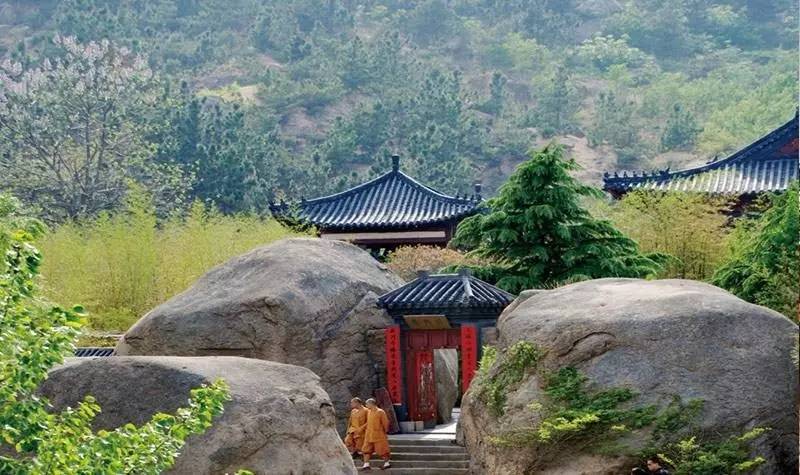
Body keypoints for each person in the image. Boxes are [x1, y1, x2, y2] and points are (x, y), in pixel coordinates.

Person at [359, 398, 391, 471]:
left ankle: (387, 464)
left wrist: (385, 432)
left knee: (382, 450)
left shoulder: (380, 412)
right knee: (366, 449)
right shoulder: (369, 412)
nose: (366, 405)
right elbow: (369, 422)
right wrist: (362, 428)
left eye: (367, 404)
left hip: (378, 434)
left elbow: (385, 423)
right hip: (369, 434)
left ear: (371, 404)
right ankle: (366, 465)